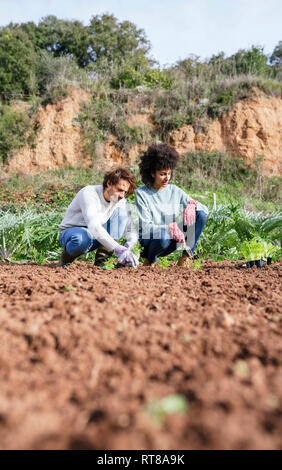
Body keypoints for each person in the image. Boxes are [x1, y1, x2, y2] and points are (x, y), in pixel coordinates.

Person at [135, 144, 208, 267]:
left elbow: (205, 210)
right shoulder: (142, 193)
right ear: (152, 173)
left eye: (169, 174)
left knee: (200, 214)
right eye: (163, 174)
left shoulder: (175, 191)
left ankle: (186, 258)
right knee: (163, 236)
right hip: (151, 241)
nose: (167, 178)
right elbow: (146, 227)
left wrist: (192, 204)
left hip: (173, 237)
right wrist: (168, 227)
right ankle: (150, 260)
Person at [58, 167, 139, 268]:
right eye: (119, 190)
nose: (122, 195)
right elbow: (94, 226)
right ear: (109, 183)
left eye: (125, 192)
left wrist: (130, 246)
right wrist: (117, 248)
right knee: (81, 239)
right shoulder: (89, 193)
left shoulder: (119, 200)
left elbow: (130, 227)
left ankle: (102, 263)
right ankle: (66, 259)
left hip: (94, 236)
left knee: (121, 214)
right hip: (72, 233)